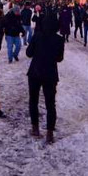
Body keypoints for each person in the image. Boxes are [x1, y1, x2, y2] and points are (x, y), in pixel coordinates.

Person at [26, 11, 65, 144]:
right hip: (50, 74)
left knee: (33, 101)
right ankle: (49, 133)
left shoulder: (37, 36)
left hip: (35, 72)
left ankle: (35, 128)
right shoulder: (59, 39)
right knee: (50, 104)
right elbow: (59, 58)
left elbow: (28, 53)